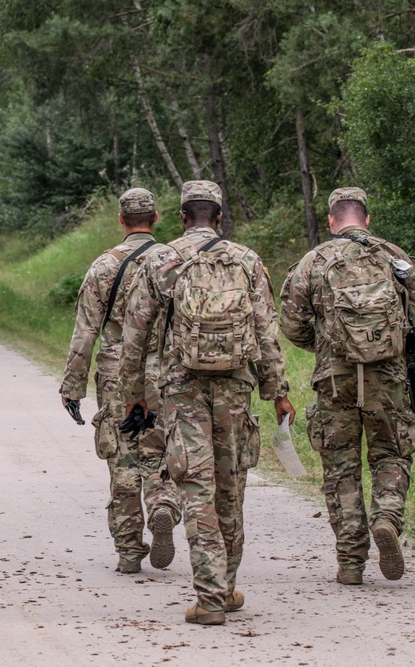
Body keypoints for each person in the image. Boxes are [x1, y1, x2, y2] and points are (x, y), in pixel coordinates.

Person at [119, 180, 294, 626]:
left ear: (182, 216)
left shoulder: (161, 260)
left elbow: (135, 335)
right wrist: (278, 393)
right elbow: (266, 332)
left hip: (182, 387)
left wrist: (134, 395)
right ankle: (227, 584)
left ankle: (211, 596)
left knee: (197, 486)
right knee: (231, 485)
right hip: (235, 389)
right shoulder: (247, 260)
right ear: (219, 215)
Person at [279, 187, 415, 586]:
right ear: (366, 218)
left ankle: (350, 563)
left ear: (332, 220)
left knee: (340, 469)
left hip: (335, 379)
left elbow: (291, 324)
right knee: (392, 454)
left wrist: (328, 345)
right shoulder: (393, 256)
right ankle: (386, 519)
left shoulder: (312, 262)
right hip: (389, 377)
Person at [59, 187, 183, 576]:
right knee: (160, 451)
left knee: (122, 458)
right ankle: (163, 505)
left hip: (115, 376)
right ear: (156, 217)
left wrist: (73, 386)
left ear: (121, 220)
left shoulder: (102, 267)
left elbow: (85, 333)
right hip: (164, 373)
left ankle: (129, 550)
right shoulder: (175, 262)